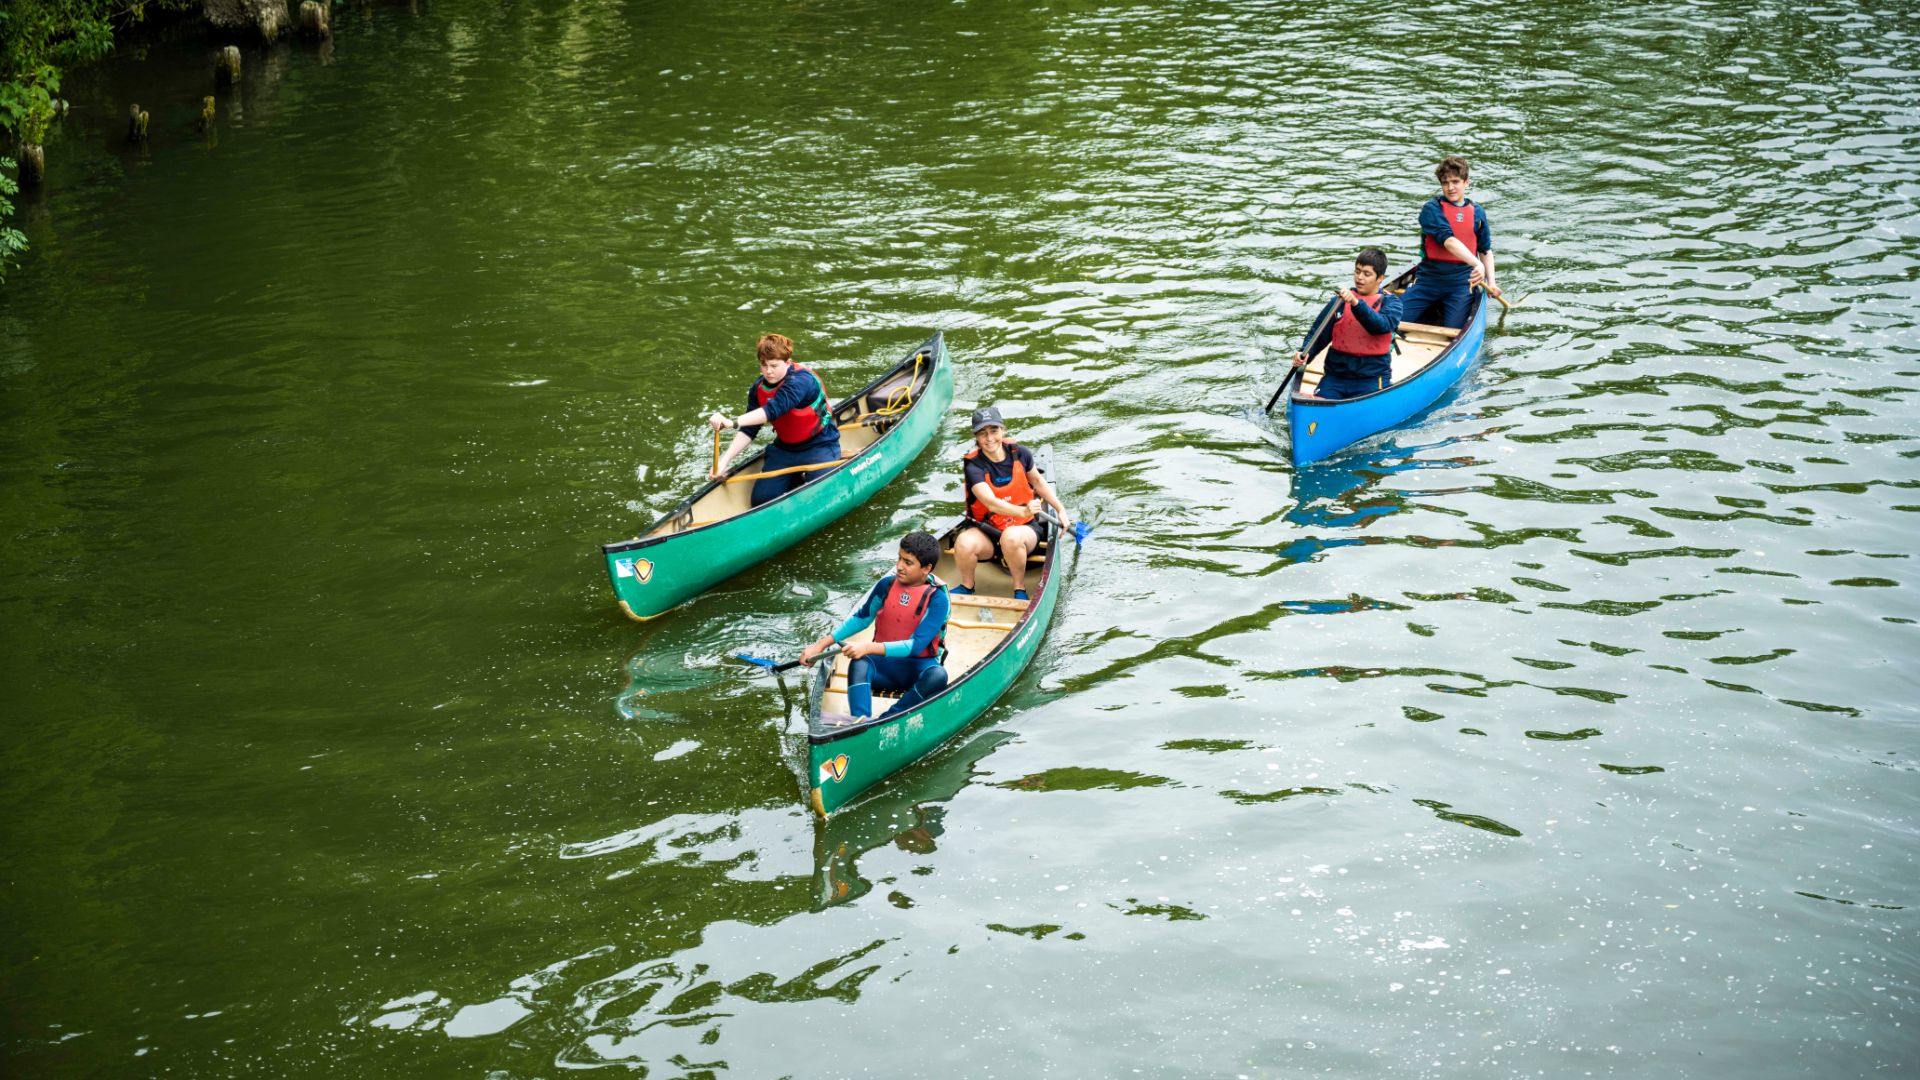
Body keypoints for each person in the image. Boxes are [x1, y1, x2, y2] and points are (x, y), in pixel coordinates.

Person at [799, 532, 951, 719]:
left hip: (917, 669)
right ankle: (860, 721)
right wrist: (820, 645)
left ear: (927, 568)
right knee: (860, 662)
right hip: (884, 667)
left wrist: (867, 647)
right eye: (899, 558)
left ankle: (889, 718)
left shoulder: (938, 599)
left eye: (908, 563)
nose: (899, 566)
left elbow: (916, 646)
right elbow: (861, 618)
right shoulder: (886, 585)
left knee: (938, 676)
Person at [951, 407, 1070, 602]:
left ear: (1003, 430)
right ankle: (967, 586)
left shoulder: (1021, 453)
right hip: (987, 532)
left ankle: (1019, 588)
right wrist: (1023, 510)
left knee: (1011, 537)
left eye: (994, 431)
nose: (989, 438)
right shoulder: (974, 466)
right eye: (983, 433)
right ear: (976, 437)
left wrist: (1060, 510)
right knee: (963, 542)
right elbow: (991, 503)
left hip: (1023, 531)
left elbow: (1039, 483)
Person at [708, 333, 841, 507]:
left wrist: (732, 422)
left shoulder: (802, 381)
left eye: (774, 365)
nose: (768, 371)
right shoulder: (758, 389)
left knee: (820, 497)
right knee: (760, 501)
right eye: (764, 365)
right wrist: (723, 462)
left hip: (820, 444)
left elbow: (772, 410)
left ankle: (803, 480)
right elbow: (749, 430)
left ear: (787, 362)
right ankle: (795, 479)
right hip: (785, 449)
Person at [1396, 156, 1497, 330]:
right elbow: (1449, 241)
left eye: (1455, 182)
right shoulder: (1431, 209)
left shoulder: (1478, 213)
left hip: (1460, 285)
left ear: (1466, 182)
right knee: (1392, 319)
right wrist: (1476, 264)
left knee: (1456, 330)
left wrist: (1492, 283)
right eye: (1445, 182)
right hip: (1428, 281)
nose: (1450, 188)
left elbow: (1485, 250)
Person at [1292, 247, 1406, 401]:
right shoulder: (1338, 302)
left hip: (1371, 378)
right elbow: (1318, 334)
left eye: (1367, 274)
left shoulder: (1392, 304)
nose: (1359, 277)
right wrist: (1304, 353)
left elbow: (1380, 326)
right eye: (1357, 271)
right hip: (1336, 376)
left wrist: (1355, 303)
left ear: (1380, 278)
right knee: (1317, 403)